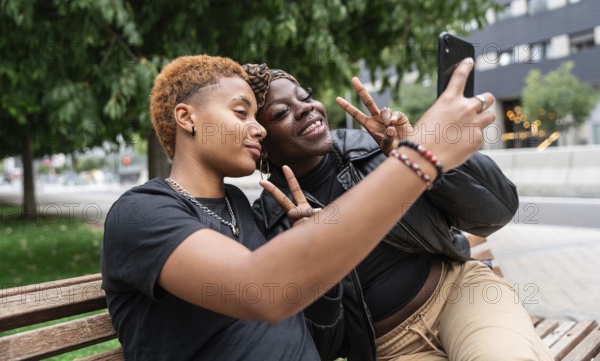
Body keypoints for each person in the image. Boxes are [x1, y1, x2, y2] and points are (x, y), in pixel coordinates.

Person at [100, 54, 495, 360]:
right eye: (242, 113)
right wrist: (419, 157)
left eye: (258, 117)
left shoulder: (245, 208)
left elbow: (307, 330)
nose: (258, 129)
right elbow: (260, 290)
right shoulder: (142, 213)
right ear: (187, 117)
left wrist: (318, 273)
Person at [244, 62, 554, 361]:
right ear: (262, 141)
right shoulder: (267, 224)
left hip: (461, 295)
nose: (305, 108)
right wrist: (313, 264)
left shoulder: (380, 145)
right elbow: (320, 348)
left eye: (306, 97)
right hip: (392, 347)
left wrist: (423, 152)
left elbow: (496, 211)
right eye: (281, 112)